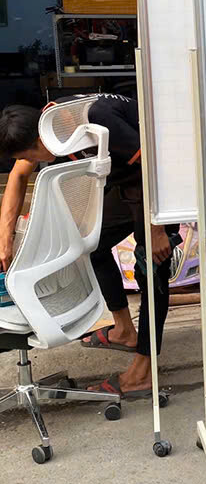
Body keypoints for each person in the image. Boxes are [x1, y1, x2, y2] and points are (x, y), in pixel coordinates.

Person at [0, 96, 179, 397]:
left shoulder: (98, 118)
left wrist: (157, 229)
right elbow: (18, 176)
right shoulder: (47, 127)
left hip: (161, 181)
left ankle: (143, 372)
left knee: (151, 266)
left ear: (40, 138)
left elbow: (154, 166)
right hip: (128, 182)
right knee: (91, 244)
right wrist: (4, 240)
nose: (35, 161)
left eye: (32, 154)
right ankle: (124, 330)